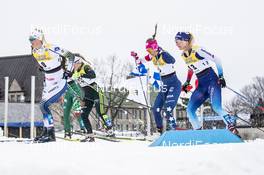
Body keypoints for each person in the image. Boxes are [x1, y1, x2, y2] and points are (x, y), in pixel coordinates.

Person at [175, 32, 238, 134]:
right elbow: (190, 68)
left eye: (179, 41)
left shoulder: (198, 50)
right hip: (201, 85)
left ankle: (231, 125)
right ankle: (198, 131)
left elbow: (217, 60)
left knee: (216, 107)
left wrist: (221, 76)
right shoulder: (183, 55)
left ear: (186, 41)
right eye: (176, 42)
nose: (177, 44)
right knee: (190, 110)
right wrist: (187, 81)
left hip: (212, 81)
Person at [29, 28, 74, 142]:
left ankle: (51, 134)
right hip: (48, 81)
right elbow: (45, 63)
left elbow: (71, 56)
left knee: (43, 105)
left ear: (41, 39)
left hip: (59, 81)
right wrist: (43, 68)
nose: (32, 43)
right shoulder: (34, 51)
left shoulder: (51, 48)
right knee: (43, 106)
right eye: (31, 41)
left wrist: (68, 71)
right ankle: (46, 131)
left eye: (34, 40)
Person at [131, 38, 182, 134]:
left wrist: (161, 51)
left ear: (155, 47)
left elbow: (173, 60)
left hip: (174, 84)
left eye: (150, 50)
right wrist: (136, 56)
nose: (149, 52)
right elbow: (140, 62)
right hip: (164, 85)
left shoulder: (163, 54)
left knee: (168, 109)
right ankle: (160, 131)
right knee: (156, 109)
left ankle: (174, 128)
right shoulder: (151, 56)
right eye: (147, 50)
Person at [72, 55, 113, 142]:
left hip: (97, 93)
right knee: (84, 115)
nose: (74, 66)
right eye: (73, 64)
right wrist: (81, 99)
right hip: (87, 96)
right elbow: (79, 86)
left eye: (75, 64)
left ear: (79, 62)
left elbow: (93, 75)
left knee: (100, 112)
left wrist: (81, 75)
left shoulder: (85, 67)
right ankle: (90, 135)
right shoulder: (74, 72)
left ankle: (110, 129)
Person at [63, 54, 87, 139]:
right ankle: (67, 131)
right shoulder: (63, 64)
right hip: (67, 90)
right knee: (65, 112)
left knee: (77, 111)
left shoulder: (76, 64)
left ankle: (84, 128)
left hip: (75, 88)